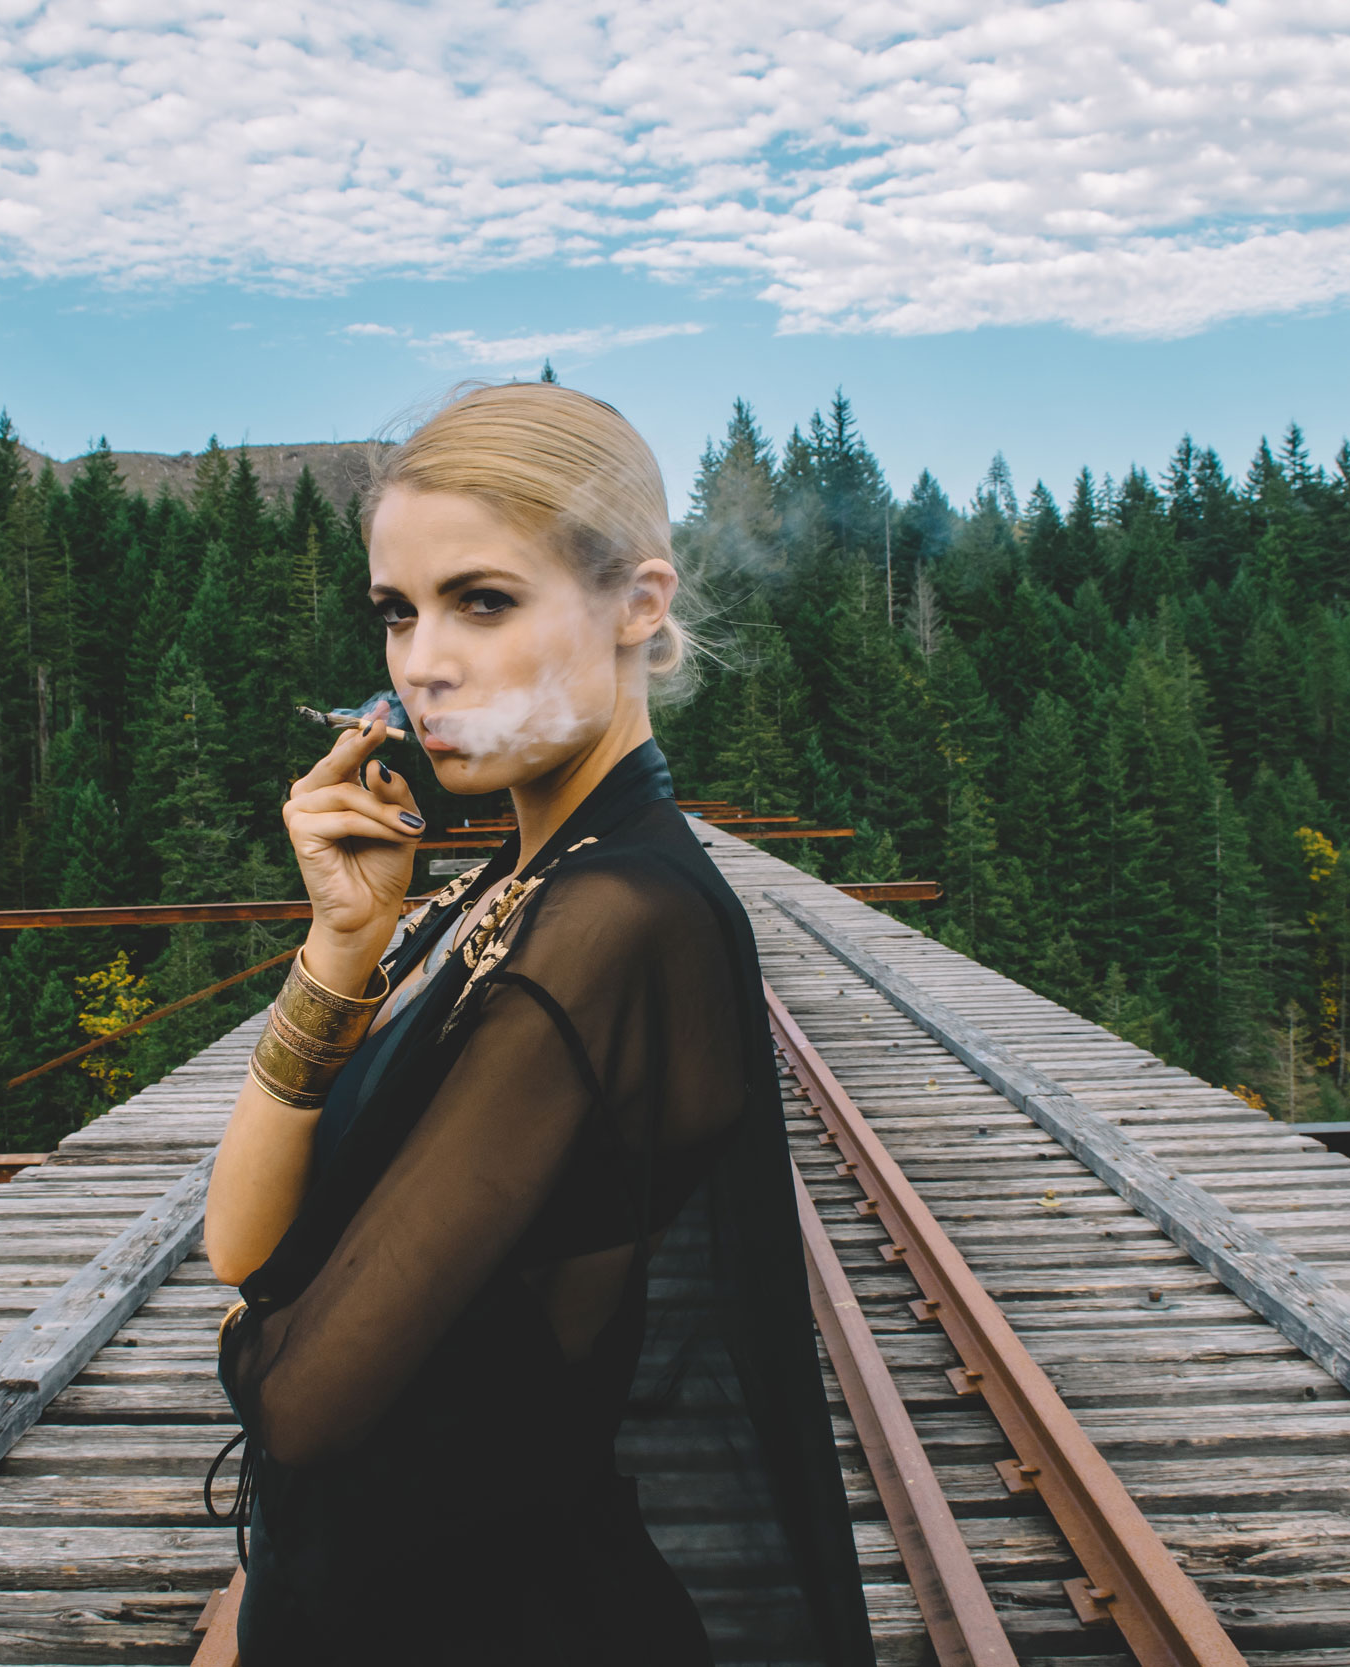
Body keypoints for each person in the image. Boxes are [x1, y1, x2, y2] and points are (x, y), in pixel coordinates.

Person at [205, 382, 873, 1666]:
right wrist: (341, 949)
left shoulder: (618, 920)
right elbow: (243, 1244)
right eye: (398, 612)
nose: (421, 662)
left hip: (488, 1617)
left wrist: (254, 1334)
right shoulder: (501, 890)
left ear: (638, 602)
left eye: (483, 600)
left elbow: (299, 1401)